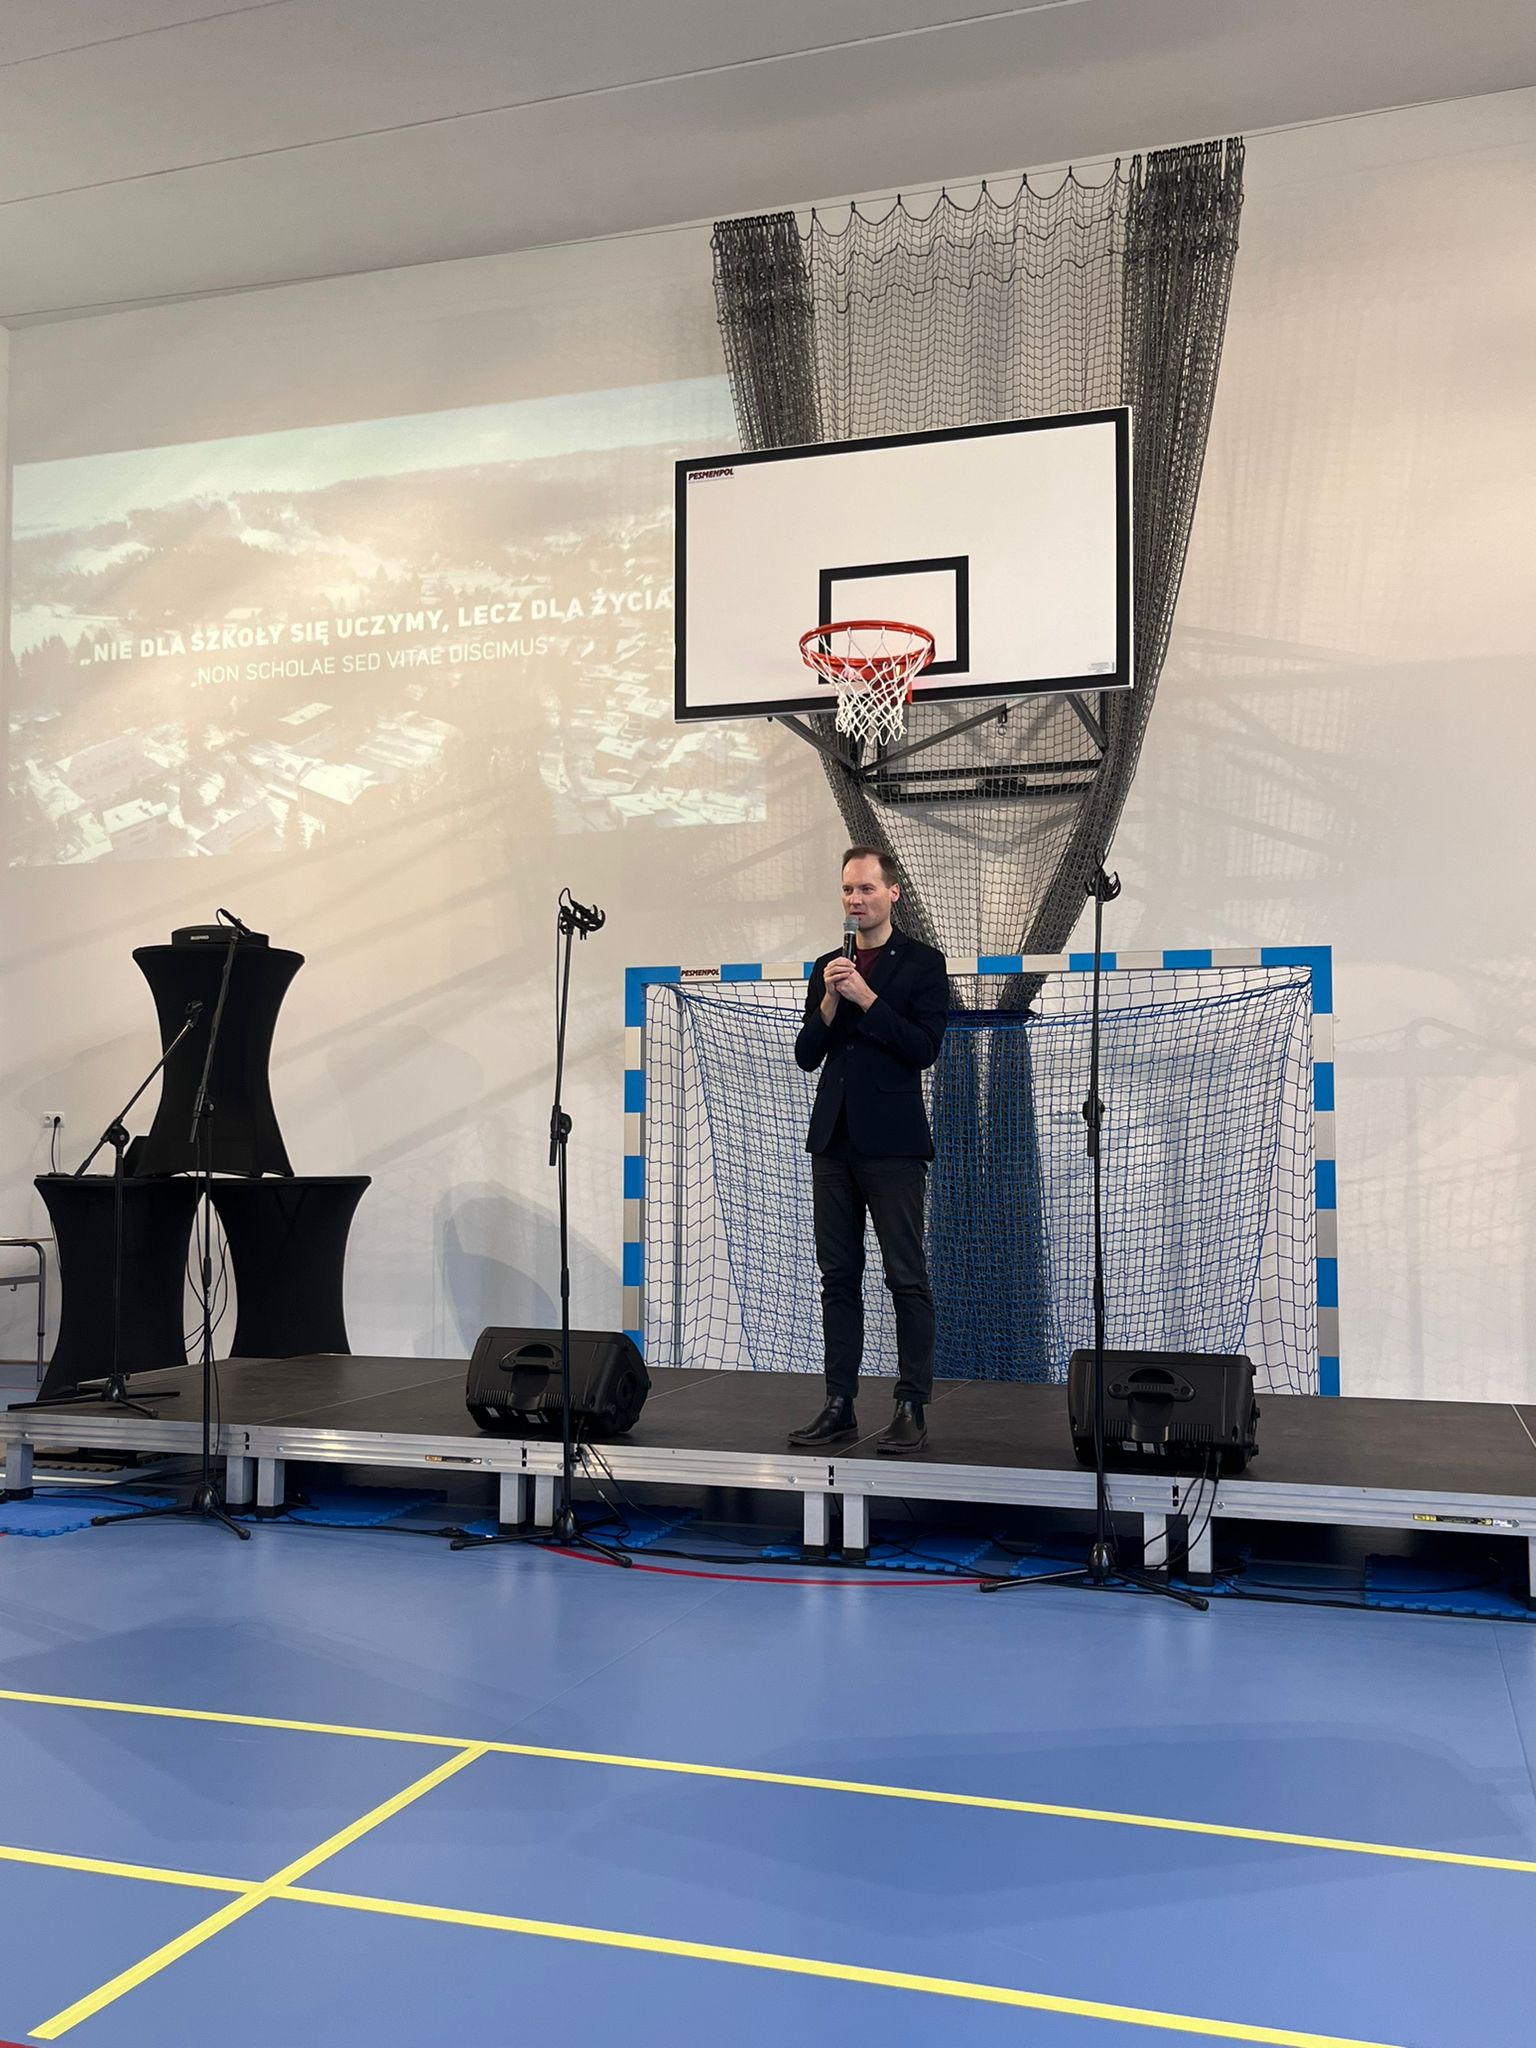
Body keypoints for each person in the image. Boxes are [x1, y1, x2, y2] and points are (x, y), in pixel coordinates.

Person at [788, 846, 949, 1454]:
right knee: (837, 1277)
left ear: (892, 893)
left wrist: (866, 999)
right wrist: (830, 1002)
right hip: (833, 1141)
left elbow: (923, 1048)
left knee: (905, 1276)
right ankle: (839, 1404)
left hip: (893, 1145)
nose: (855, 900)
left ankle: (911, 1404)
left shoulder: (924, 963)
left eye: (866, 889)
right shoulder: (827, 966)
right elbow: (807, 1056)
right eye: (847, 890)